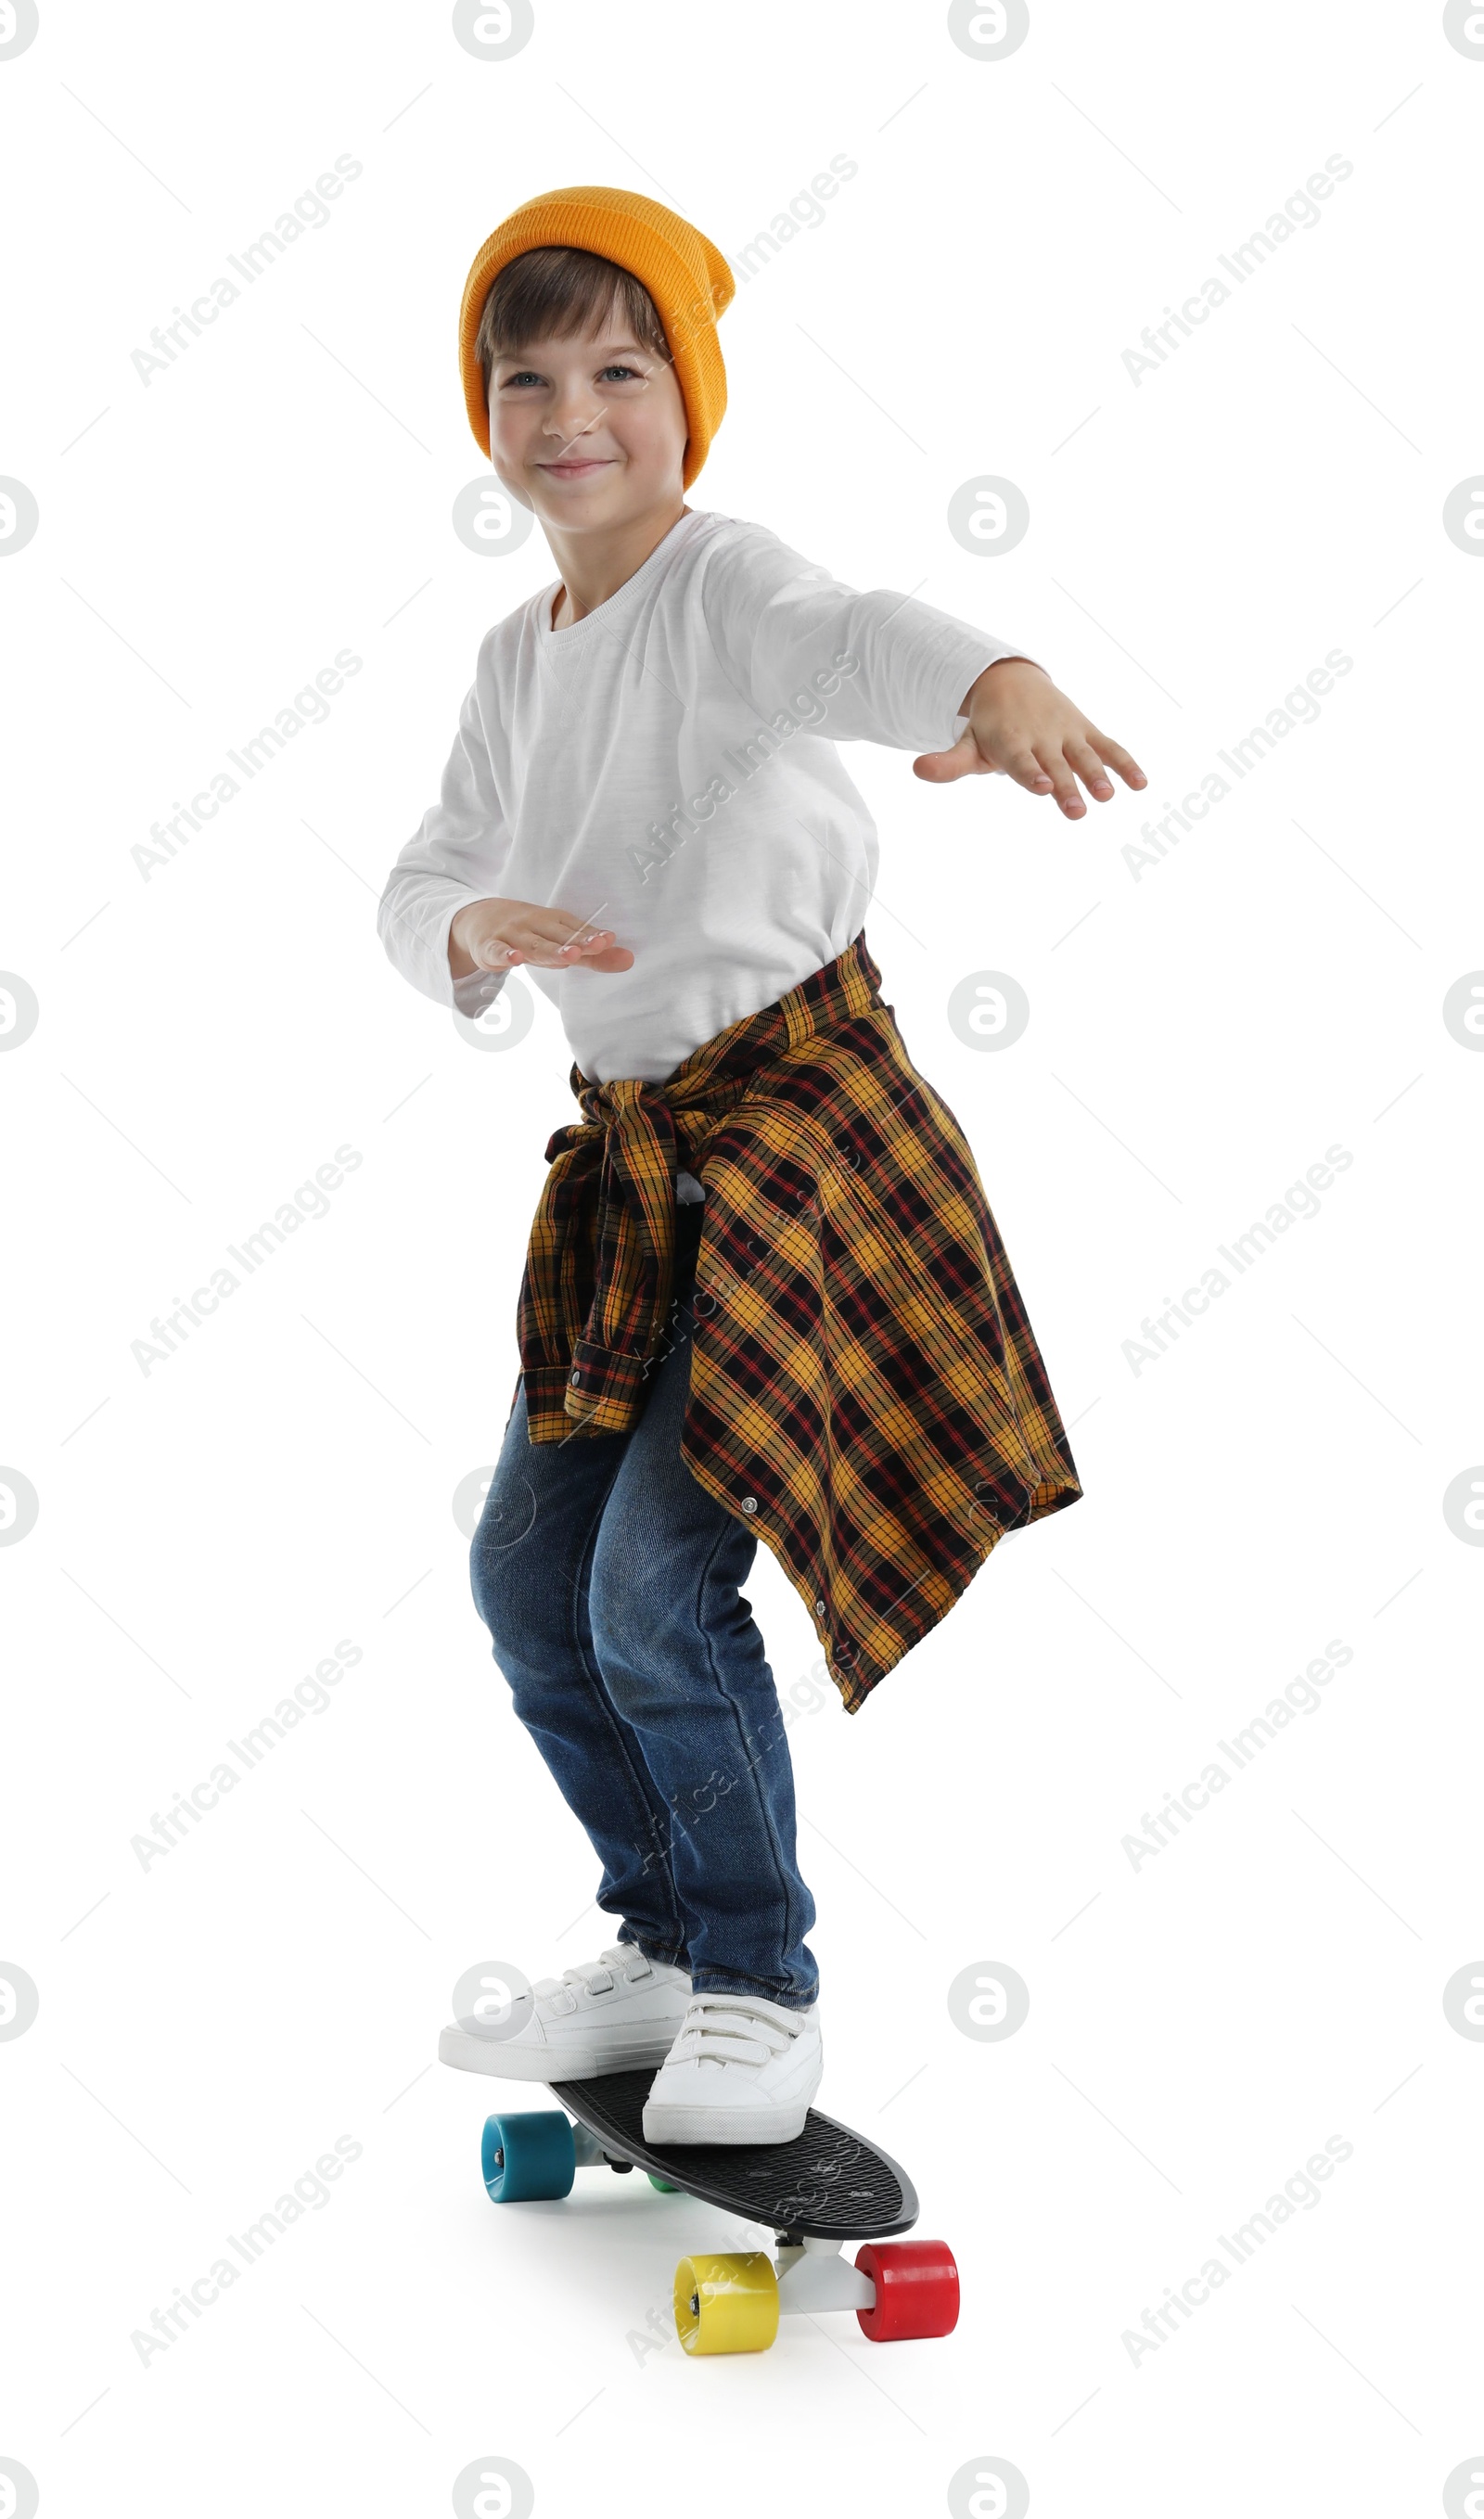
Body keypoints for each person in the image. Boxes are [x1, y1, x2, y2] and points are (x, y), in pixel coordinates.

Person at [377, 185, 1145, 2147]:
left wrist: (993, 685)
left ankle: (754, 1979)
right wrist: (469, 933)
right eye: (525, 375)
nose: (570, 413)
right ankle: (653, 1930)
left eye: (617, 370)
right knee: (523, 1571)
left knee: (655, 1582)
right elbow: (428, 867)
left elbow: (854, 635)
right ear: (483, 413)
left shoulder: (719, 583)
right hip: (638, 1175)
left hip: (801, 1138)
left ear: (683, 400)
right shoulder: (508, 658)